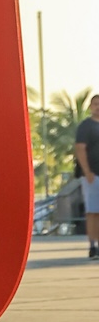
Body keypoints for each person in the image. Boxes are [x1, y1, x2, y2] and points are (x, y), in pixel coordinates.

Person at [73, 94, 99, 260]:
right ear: (90, 107)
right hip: (93, 176)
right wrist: (87, 172)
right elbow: (80, 149)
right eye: (95, 104)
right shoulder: (86, 126)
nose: (98, 107)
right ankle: (92, 246)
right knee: (93, 212)